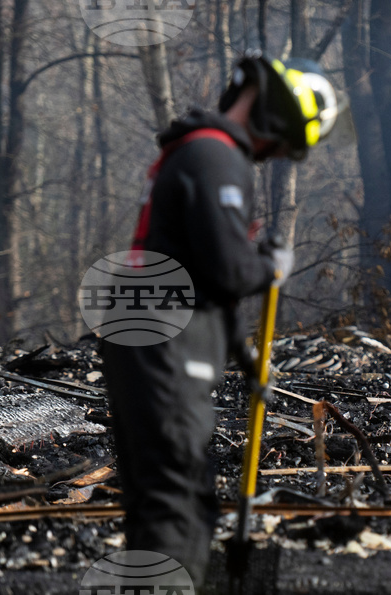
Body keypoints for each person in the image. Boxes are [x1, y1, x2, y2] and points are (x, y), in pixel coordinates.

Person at [101, 54, 338, 587]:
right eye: (282, 142)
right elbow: (229, 271)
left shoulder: (196, 151)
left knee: (161, 494)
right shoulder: (215, 156)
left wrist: (249, 359)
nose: (272, 155)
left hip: (150, 339)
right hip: (166, 347)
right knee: (177, 500)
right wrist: (270, 264)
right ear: (280, 115)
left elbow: (207, 279)